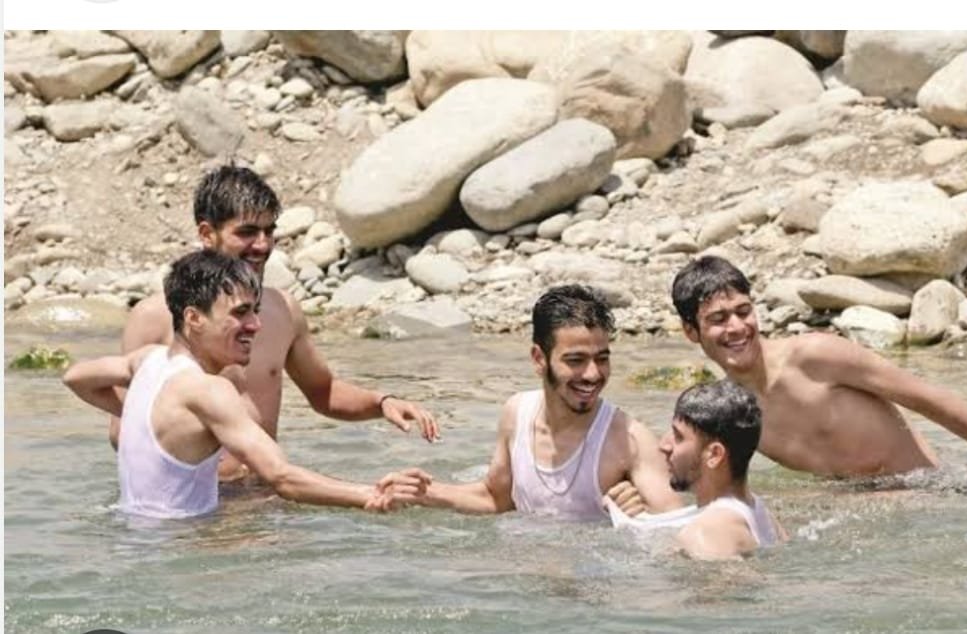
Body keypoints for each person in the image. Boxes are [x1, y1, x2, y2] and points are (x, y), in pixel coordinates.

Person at [113, 165, 438, 481]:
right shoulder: (155, 317)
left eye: (269, 231)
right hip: (194, 501)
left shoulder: (282, 309)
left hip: (265, 493)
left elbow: (324, 392)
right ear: (207, 234)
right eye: (247, 232)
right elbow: (121, 429)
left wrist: (382, 403)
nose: (262, 245)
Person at [65, 250, 430, 518]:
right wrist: (369, 494)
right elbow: (281, 477)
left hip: (135, 538)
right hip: (187, 555)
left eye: (255, 310)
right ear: (193, 318)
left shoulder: (147, 361)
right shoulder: (209, 390)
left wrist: (142, 415)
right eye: (240, 313)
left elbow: (76, 377)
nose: (255, 325)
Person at [667, 255, 967, 482]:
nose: (737, 327)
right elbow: (693, 471)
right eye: (718, 319)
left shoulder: (815, 356)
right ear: (690, 331)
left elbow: (933, 401)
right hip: (863, 528)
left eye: (743, 311)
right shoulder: (734, 413)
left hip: (932, 495)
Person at [382, 284, 686, 520]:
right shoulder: (517, 413)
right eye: (576, 360)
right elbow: (496, 498)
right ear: (539, 358)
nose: (593, 374)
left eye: (602, 359)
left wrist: (640, 515)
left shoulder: (629, 439)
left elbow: (676, 528)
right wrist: (425, 494)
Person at [659, 380, 784, 559]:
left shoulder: (706, 532)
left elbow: (725, 576)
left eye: (678, 436)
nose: (664, 445)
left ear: (715, 454)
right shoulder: (763, 515)